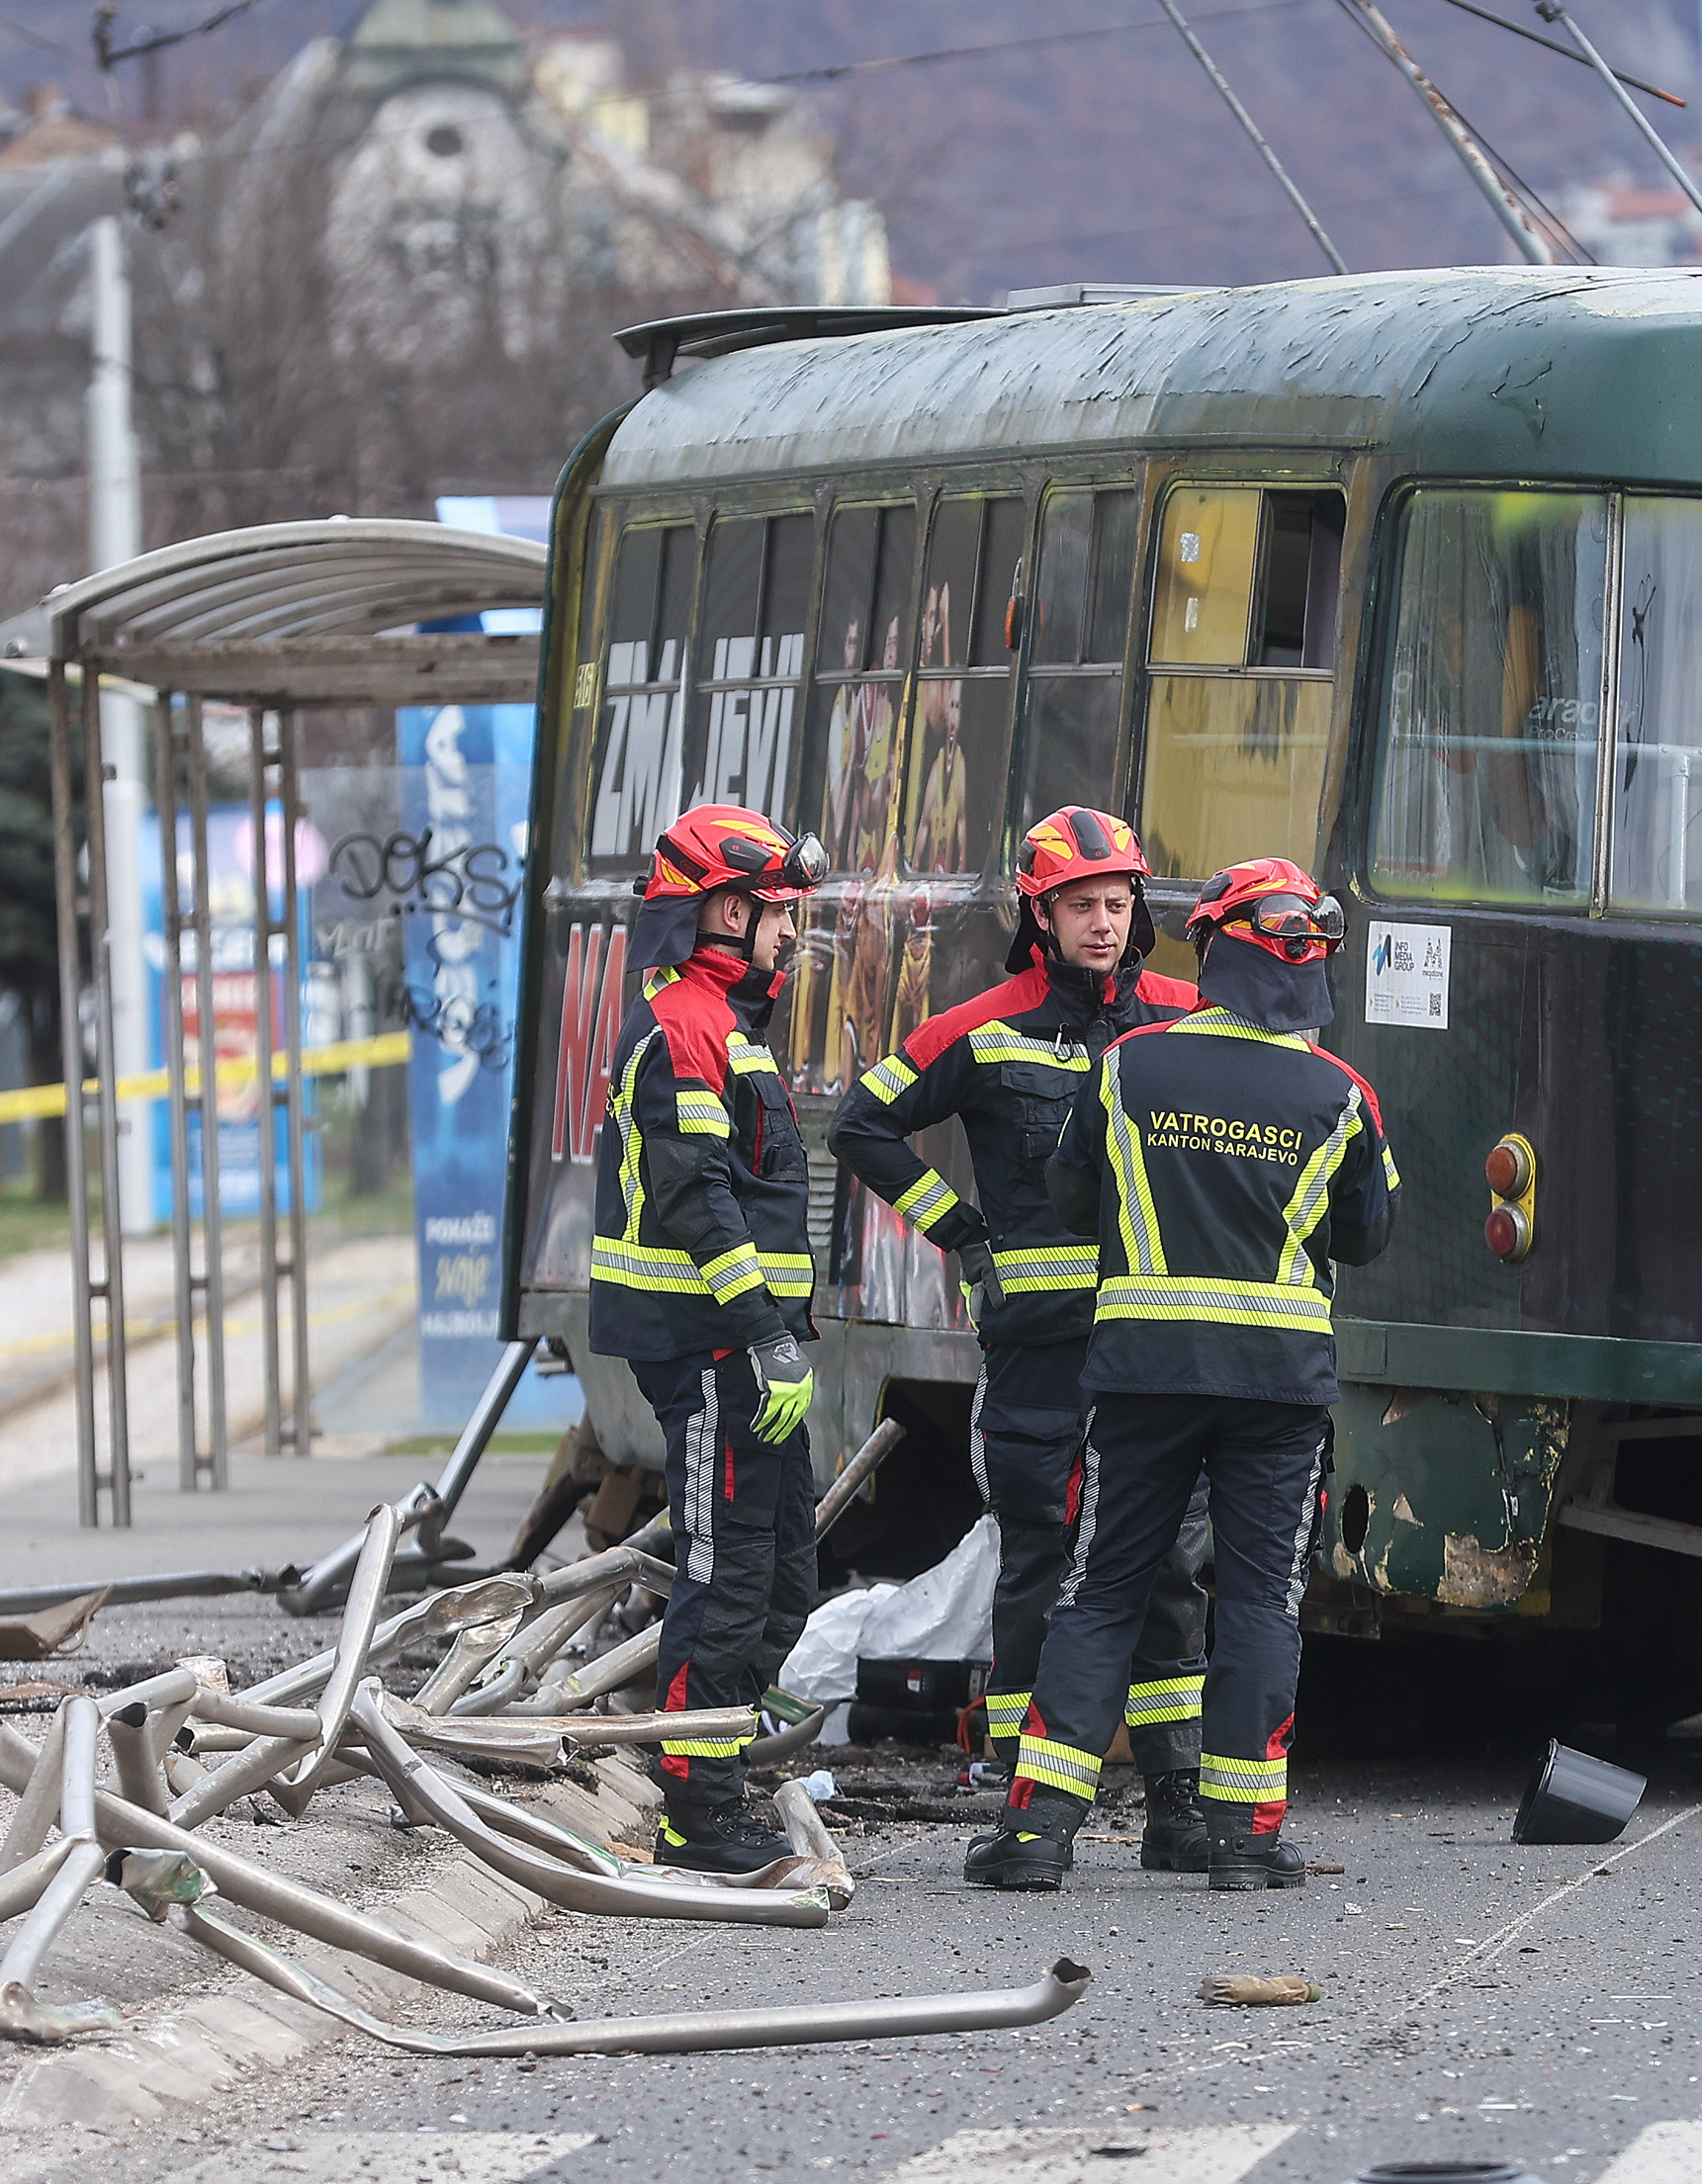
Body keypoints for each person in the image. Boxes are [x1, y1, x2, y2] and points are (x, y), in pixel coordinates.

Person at [977, 858, 1397, 1896]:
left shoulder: (1128, 1065)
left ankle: (1035, 1837)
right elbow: (1366, 1234)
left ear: (1211, 950)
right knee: (1258, 1603)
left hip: (1143, 1376)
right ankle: (1243, 1841)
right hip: (1279, 1389)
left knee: (1101, 1589)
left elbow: (1072, 1196)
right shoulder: (1342, 1094)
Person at [828, 805, 1218, 1876]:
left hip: (1156, 1349)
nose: (1104, 922)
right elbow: (862, 1122)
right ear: (1039, 914)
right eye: (1081, 904)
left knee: (1170, 1569)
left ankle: (1178, 1802)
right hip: (1039, 1355)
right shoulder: (984, 1026)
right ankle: (1028, 1807)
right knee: (1037, 1566)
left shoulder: (1187, 1018)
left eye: (1118, 902)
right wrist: (961, 1232)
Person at [586, 801, 828, 1873]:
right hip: (713, 1345)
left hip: (746, 1345)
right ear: (726, 912)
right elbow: (697, 1198)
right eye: (778, 911)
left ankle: (721, 1755)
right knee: (725, 1568)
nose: (791, 931)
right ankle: (696, 1807)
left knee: (781, 1570)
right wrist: (763, 1335)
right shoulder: (686, 1024)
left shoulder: (723, 1024)